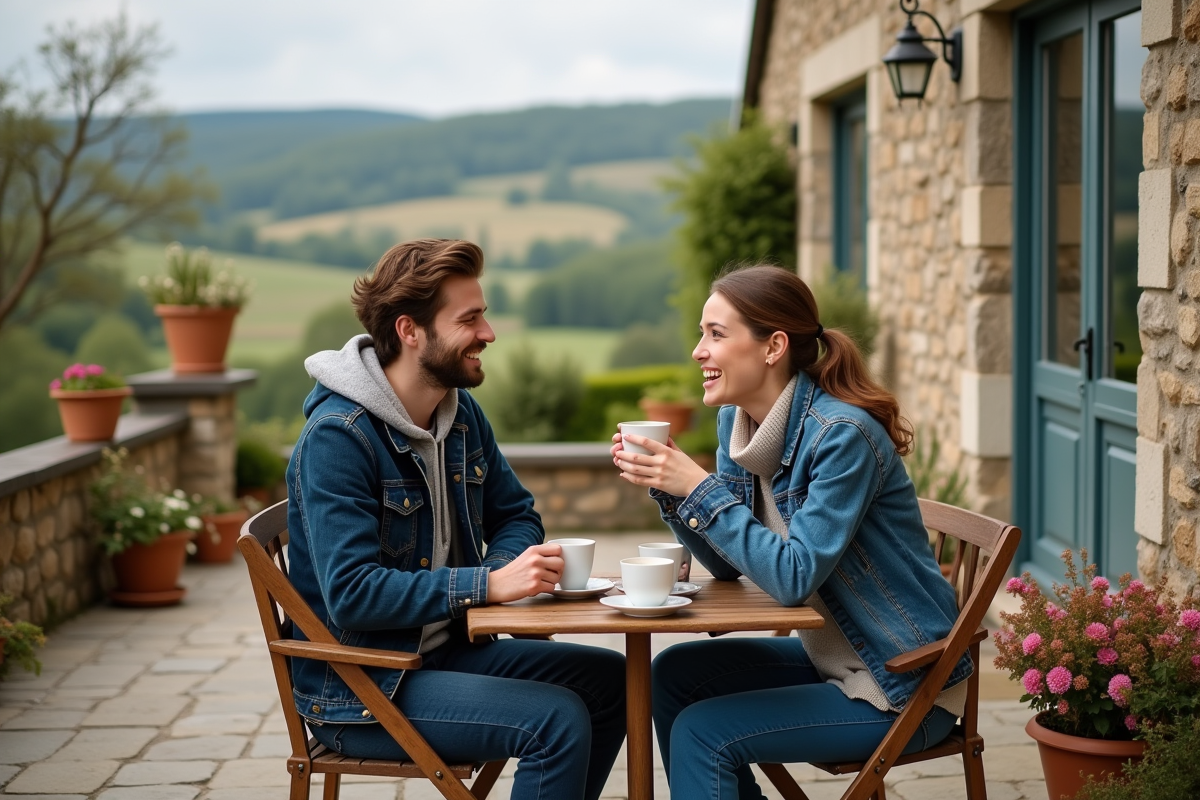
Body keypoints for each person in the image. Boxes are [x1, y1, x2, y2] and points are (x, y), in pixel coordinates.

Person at [611, 265, 969, 799]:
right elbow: (728, 565)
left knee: (704, 732)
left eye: (716, 334)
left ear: (773, 347)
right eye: (702, 334)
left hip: (902, 683)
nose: (698, 351)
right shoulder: (739, 423)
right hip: (836, 658)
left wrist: (698, 487)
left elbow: (792, 577)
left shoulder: (842, 436)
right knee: (673, 674)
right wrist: (673, 490)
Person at [286, 238, 626, 800]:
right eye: (469, 319)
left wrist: (500, 574)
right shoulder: (338, 439)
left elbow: (516, 513)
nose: (488, 333)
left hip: (449, 650)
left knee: (612, 682)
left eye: (483, 315)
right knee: (556, 718)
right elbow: (351, 594)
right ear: (409, 330)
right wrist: (488, 586)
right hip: (366, 687)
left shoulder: (459, 413)